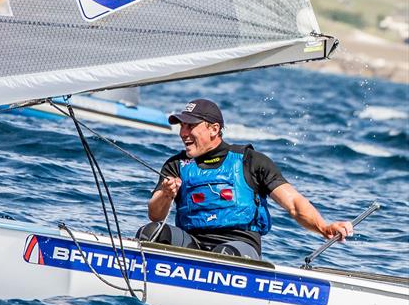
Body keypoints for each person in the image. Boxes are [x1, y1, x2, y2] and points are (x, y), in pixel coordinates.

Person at [139, 99, 354, 259]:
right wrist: (166, 195)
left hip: (238, 243)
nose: (183, 133)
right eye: (181, 126)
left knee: (224, 256)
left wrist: (324, 227)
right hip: (191, 241)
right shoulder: (176, 165)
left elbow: (294, 205)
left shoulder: (251, 161)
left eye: (190, 126)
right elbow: (155, 214)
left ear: (214, 129)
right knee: (149, 233)